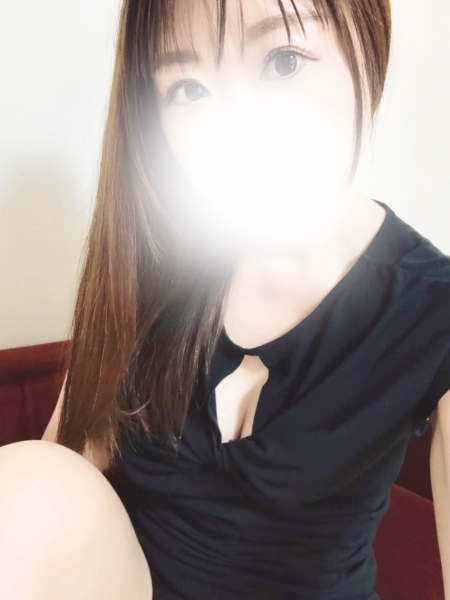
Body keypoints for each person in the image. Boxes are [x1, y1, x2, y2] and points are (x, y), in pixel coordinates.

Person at [1, 0, 449, 599]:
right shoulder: (159, 263)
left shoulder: (432, 307)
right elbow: (56, 486)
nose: (238, 130)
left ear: (367, 42)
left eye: (284, 61)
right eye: (188, 89)